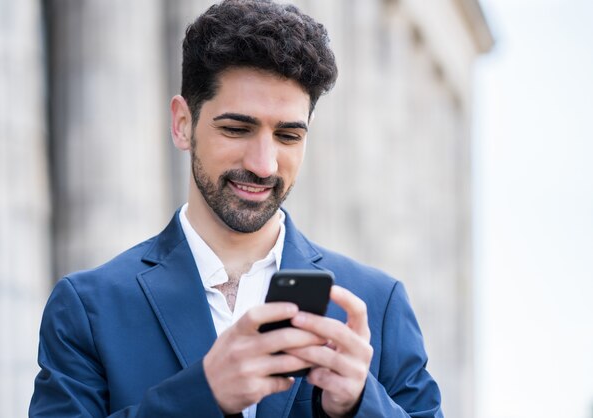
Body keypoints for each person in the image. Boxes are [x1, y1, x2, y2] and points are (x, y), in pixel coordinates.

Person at [29, 1, 443, 417]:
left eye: (287, 136)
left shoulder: (378, 302)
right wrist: (201, 395)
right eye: (236, 129)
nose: (263, 164)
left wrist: (360, 404)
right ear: (182, 124)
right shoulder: (86, 307)